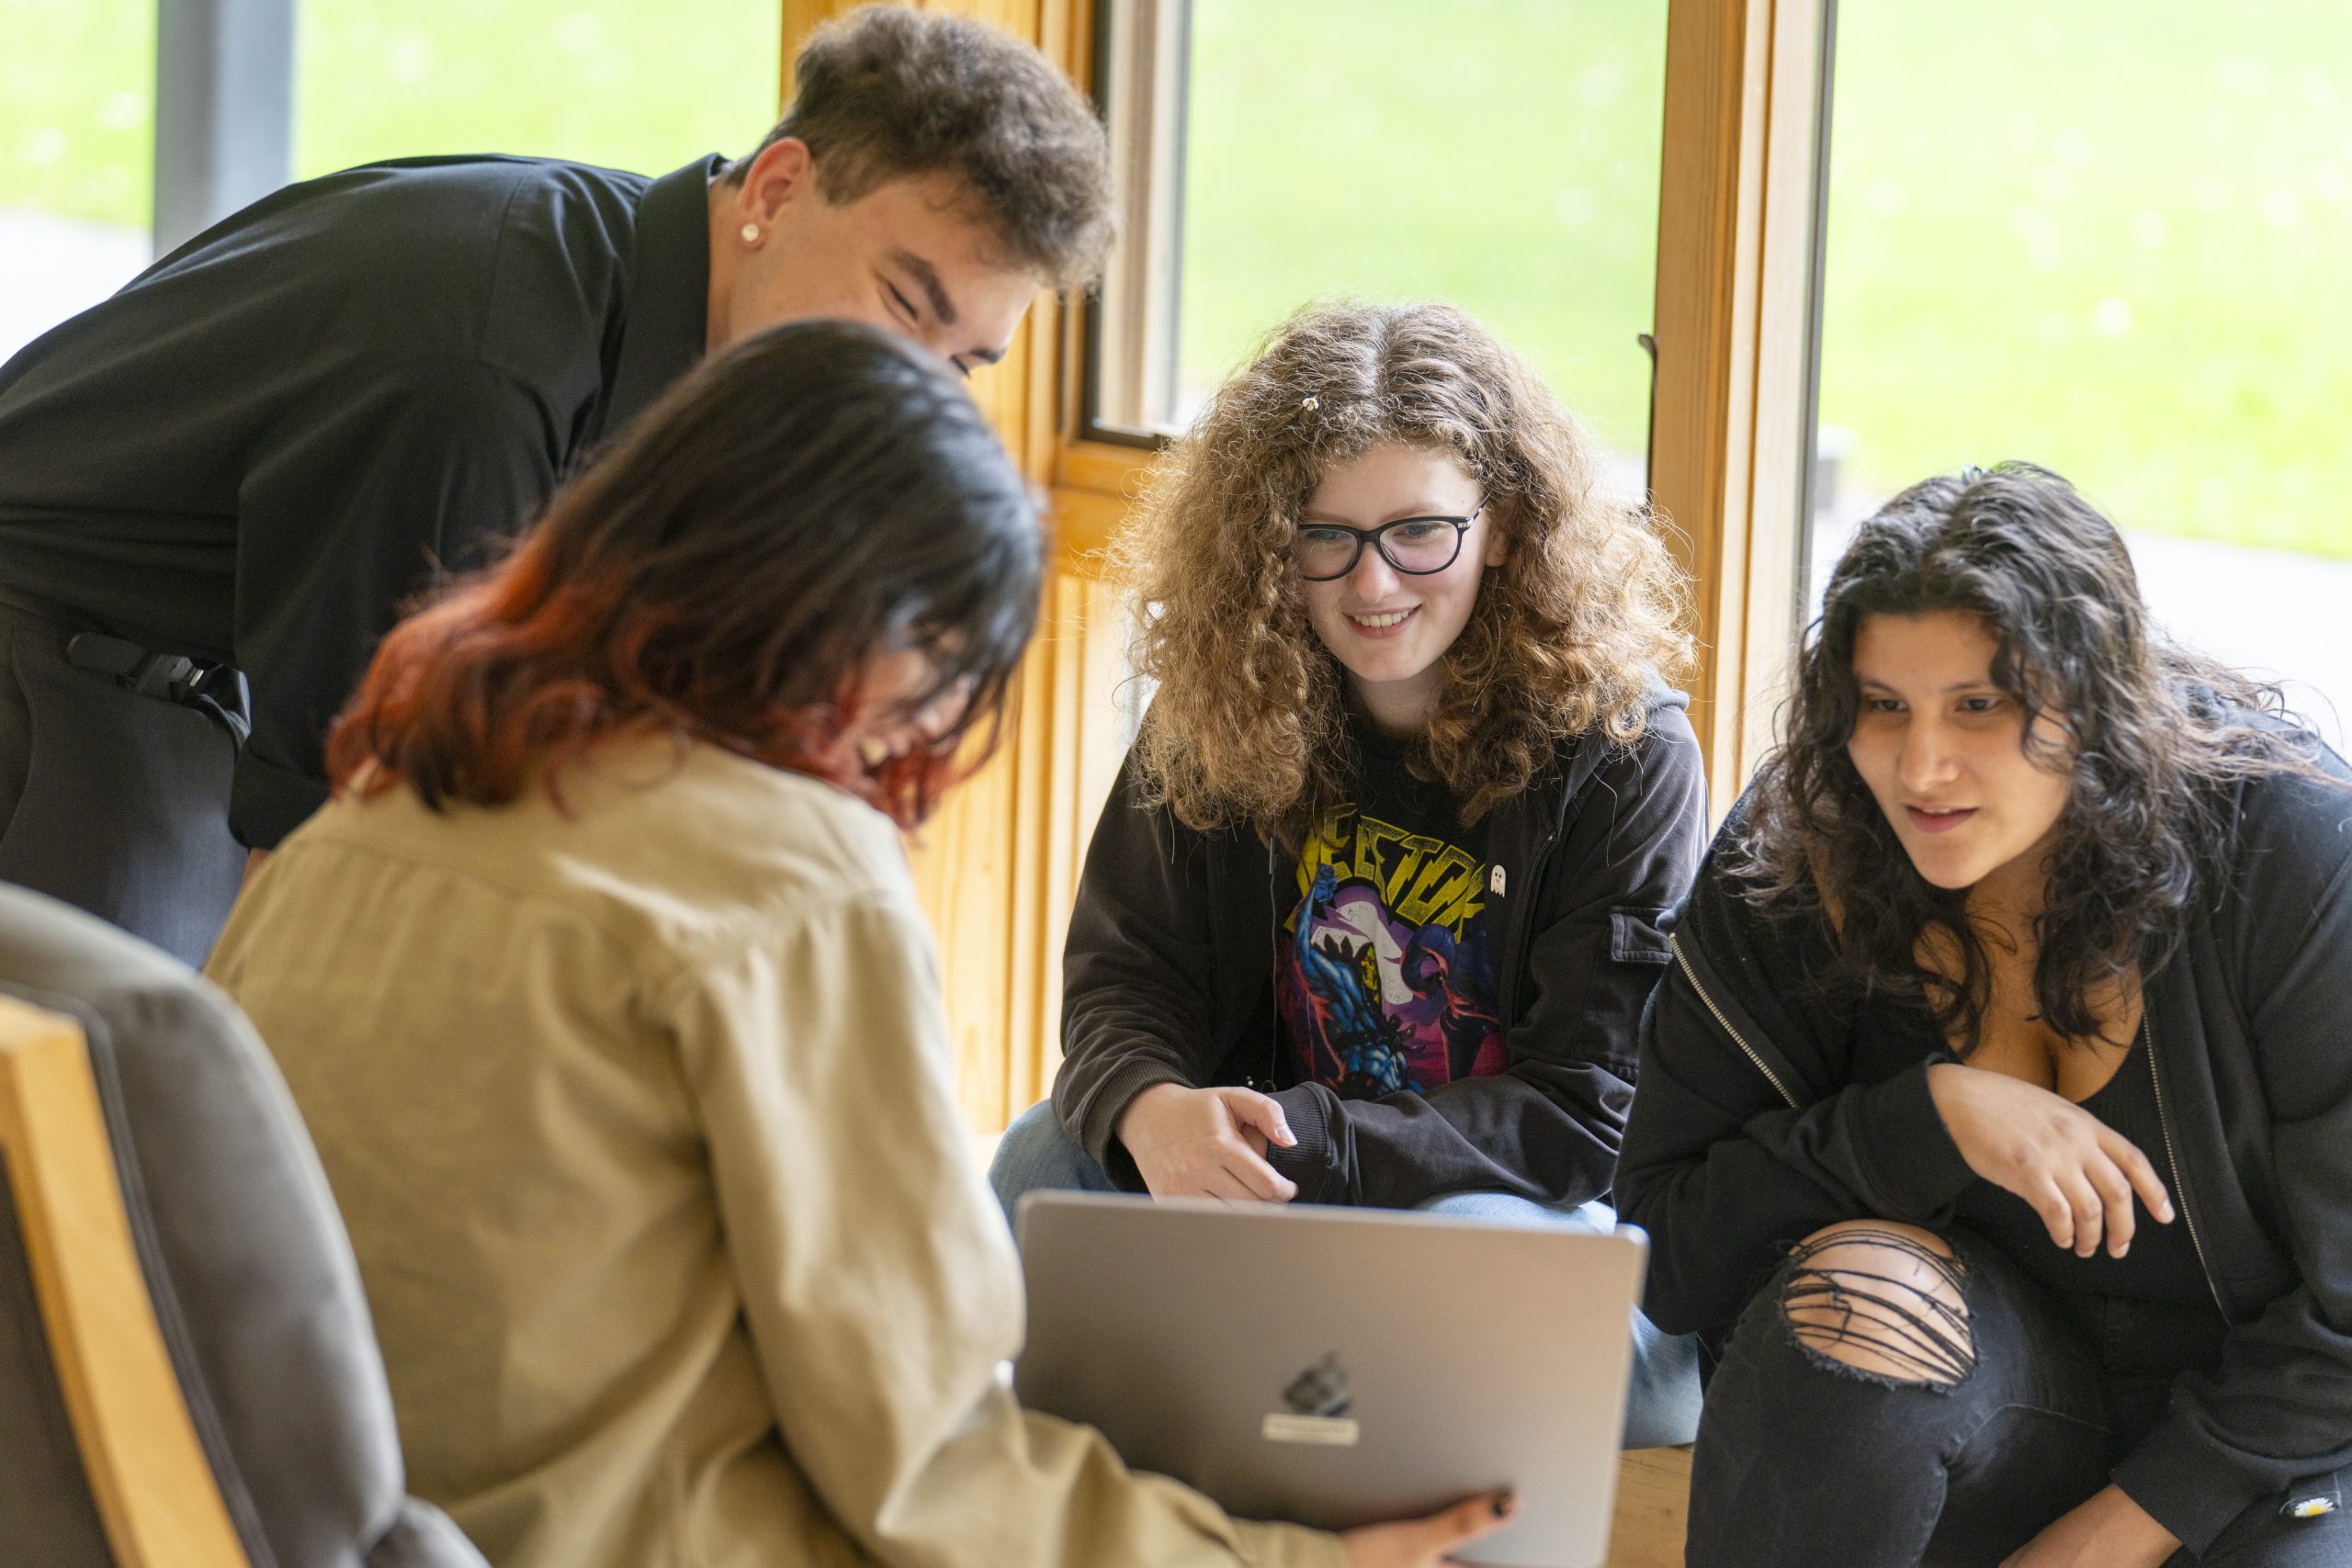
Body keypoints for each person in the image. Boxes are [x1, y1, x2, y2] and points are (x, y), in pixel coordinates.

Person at [205, 320, 1512, 1568]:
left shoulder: (378, 794)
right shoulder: (786, 873)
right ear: (876, 633)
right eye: (945, 681)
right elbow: (920, 1456)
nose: (919, 743)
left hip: (320, 1516)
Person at [0, 3, 1113, 965]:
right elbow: (350, 819)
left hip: (199, 668)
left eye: (964, 362)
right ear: (777, 186)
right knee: (104, 1132)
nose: (916, 390)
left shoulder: (685, 311)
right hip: (50, 652)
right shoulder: (483, 375)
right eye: (907, 306)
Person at [989, 299, 1708, 1447]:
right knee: (1042, 1157)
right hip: (1270, 1198)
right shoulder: (1222, 704)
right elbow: (1125, 978)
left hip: (1517, 1220)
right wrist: (1152, 1109)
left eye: (1420, 532)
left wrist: (1304, 1140)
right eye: (1326, 537)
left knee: (1471, 1257)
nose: (1373, 585)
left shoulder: (1625, 754)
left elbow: (1588, 1117)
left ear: (1506, 527)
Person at [1617, 463, 2352, 1566]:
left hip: (2274, 1439)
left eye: (1980, 706)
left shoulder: (2285, 847)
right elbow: (1670, 1252)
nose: (1922, 766)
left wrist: (2105, 1540)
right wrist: (1922, 1120)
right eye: (1882, 707)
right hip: (1968, 1415)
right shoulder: (1794, 861)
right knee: (1856, 1295)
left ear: (2093, 704)